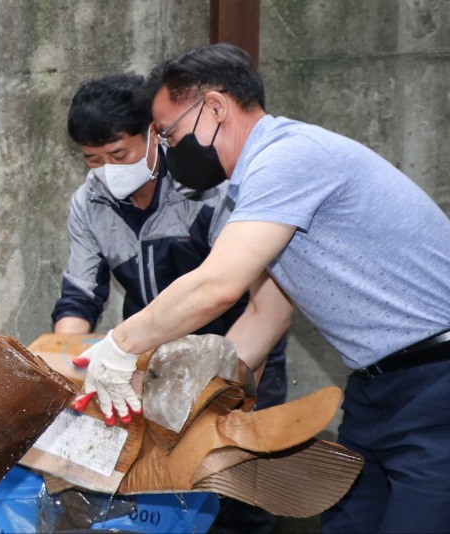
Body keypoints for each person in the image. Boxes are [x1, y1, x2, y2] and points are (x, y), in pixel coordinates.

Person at [71, 43, 450, 533]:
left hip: (436, 380)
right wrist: (185, 400)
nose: (165, 149)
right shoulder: (252, 187)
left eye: (168, 134)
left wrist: (120, 346)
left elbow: (218, 285)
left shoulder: (288, 158)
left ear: (212, 108)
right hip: (376, 387)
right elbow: (265, 316)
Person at [53, 74, 288, 533]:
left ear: (153, 135)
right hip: (146, 364)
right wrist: (67, 365)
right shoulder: (89, 203)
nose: (106, 169)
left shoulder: (208, 190)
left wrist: (222, 376)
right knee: (156, 492)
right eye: (92, 159)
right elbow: (80, 296)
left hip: (239, 353)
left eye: (118, 155)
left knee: (235, 493)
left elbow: (246, 295)